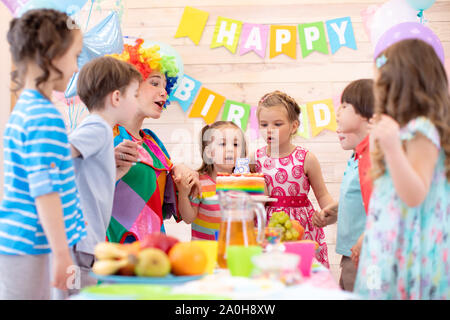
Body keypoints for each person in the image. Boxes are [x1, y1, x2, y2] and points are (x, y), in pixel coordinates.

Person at [0, 9, 86, 299]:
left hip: (34, 244)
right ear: (50, 55)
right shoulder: (42, 116)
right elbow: (45, 190)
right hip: (37, 246)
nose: (76, 69)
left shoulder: (26, 108)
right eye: (75, 57)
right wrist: (61, 253)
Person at [354, 39, 450, 299]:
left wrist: (393, 148)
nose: (379, 94)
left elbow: (415, 194)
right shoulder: (399, 131)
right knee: (372, 290)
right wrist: (381, 145)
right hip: (382, 242)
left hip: (409, 249)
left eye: (384, 85)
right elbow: (383, 188)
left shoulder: (422, 130)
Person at [107, 38, 200, 243]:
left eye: (166, 86)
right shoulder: (106, 135)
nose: (164, 92)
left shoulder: (152, 142)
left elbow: (169, 202)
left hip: (154, 252)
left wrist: (178, 170)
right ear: (128, 85)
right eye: (155, 82)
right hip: (115, 252)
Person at [63, 56, 142, 295]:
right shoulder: (98, 127)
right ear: (117, 97)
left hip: (84, 239)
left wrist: (113, 171)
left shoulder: (100, 130)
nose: (137, 102)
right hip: (81, 237)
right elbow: (60, 155)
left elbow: (86, 177)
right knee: (76, 294)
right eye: (135, 95)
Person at [254, 90, 335, 268]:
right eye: (264, 124)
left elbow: (322, 195)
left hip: (302, 226)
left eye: (277, 124)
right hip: (269, 226)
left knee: (302, 270)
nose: (269, 130)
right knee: (271, 272)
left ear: (294, 126)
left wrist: (329, 213)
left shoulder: (306, 158)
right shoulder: (255, 159)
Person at [312, 79, 374, 291]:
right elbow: (364, 199)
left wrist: (367, 237)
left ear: (368, 114)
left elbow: (384, 207)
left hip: (368, 257)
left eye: (345, 105)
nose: (338, 111)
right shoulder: (355, 157)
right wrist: (337, 211)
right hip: (350, 254)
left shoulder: (373, 156)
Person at [176, 121, 247, 240]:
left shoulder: (244, 183)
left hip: (232, 249)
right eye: (223, 144)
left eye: (235, 144)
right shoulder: (199, 183)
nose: (230, 149)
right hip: (204, 251)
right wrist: (183, 194)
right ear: (209, 153)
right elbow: (188, 218)